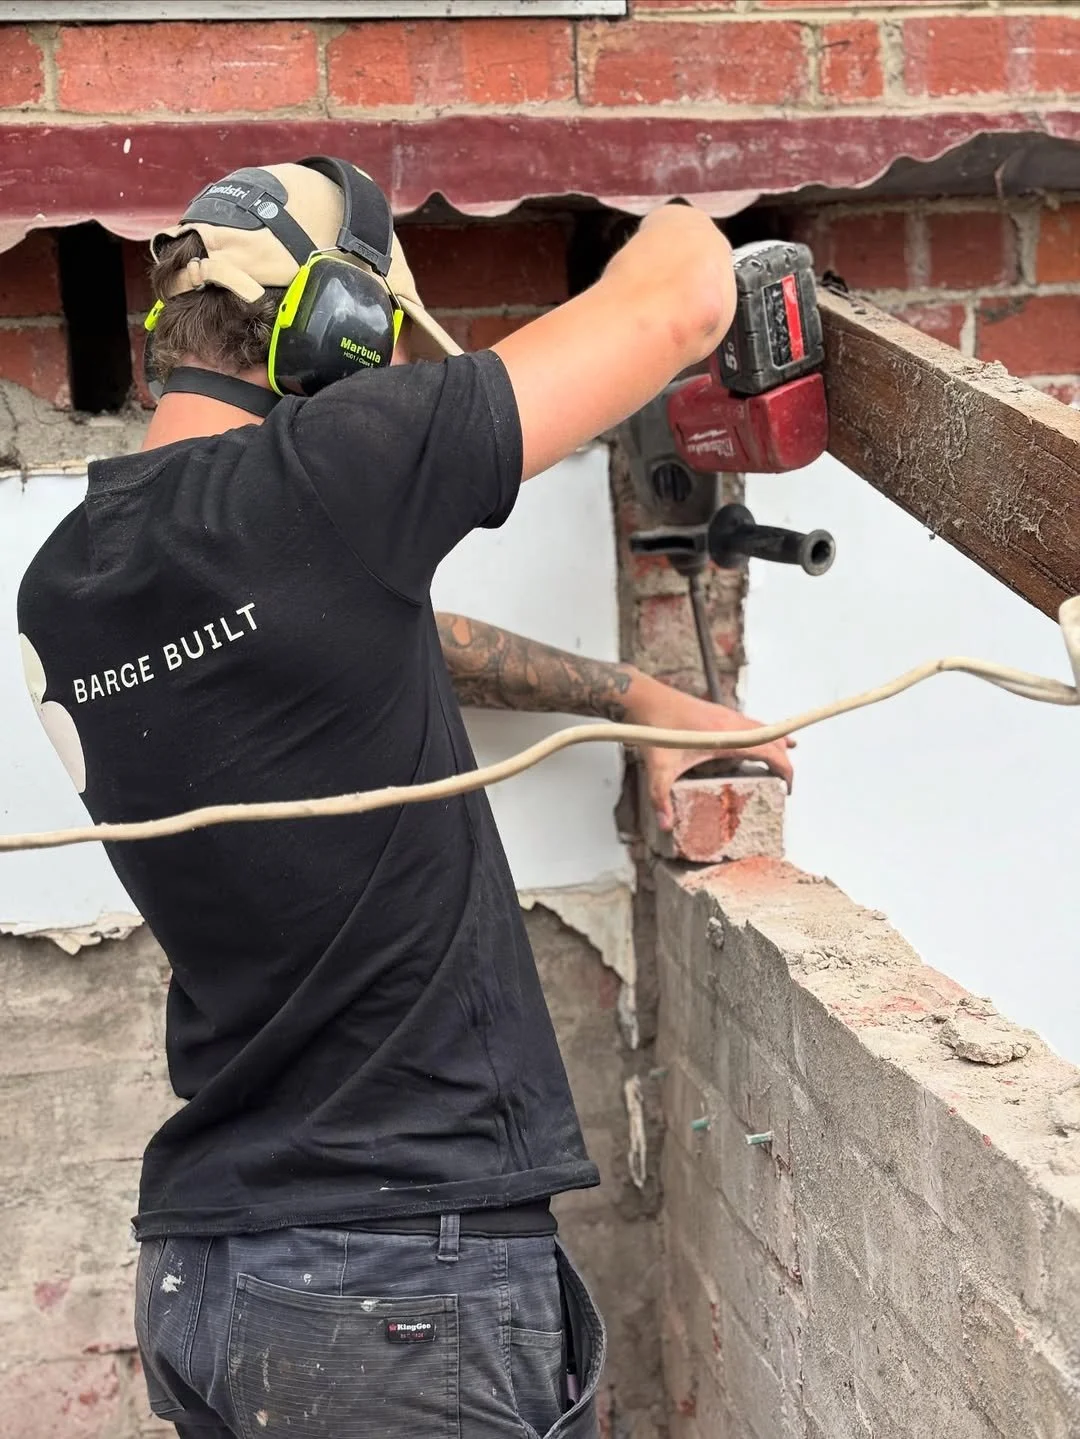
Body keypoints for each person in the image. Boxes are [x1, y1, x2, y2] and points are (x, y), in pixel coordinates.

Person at [17, 158, 788, 1439]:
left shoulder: (64, 583)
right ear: (338, 325)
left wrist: (632, 695)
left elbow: (363, 637)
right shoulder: (331, 472)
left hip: (210, 1275)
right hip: (396, 1284)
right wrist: (682, 199)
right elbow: (683, 297)